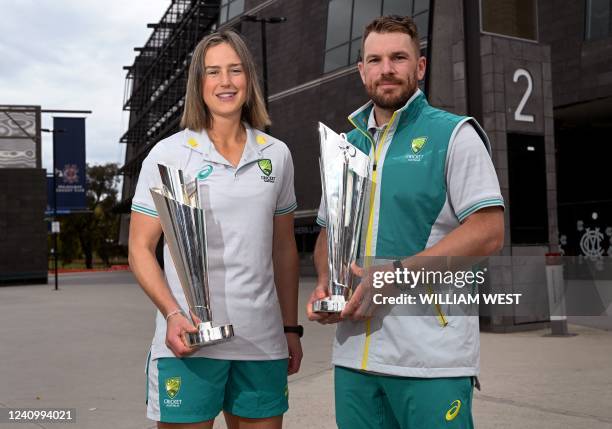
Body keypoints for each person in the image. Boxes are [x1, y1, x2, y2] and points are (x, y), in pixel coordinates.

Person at [307, 15, 505, 429]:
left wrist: (394, 275)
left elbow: (488, 233)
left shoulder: (454, 135)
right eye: (375, 60)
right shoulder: (345, 148)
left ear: (420, 67)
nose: (386, 69)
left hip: (430, 359)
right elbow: (327, 235)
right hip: (354, 356)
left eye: (399, 58)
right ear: (362, 70)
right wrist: (327, 284)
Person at [129, 29, 302, 429]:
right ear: (198, 83)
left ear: (248, 79)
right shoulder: (169, 154)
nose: (225, 82)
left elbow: (284, 249)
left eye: (235, 70)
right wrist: (172, 314)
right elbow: (140, 247)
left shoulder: (276, 155)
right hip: (188, 345)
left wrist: (291, 328)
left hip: (261, 343)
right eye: (213, 72)